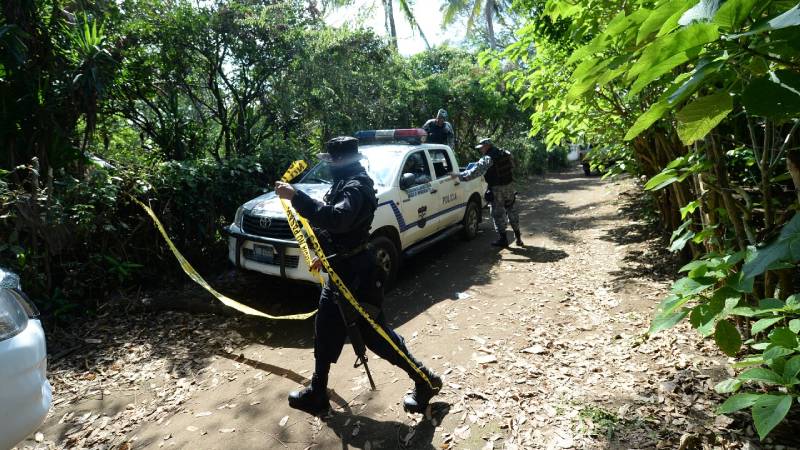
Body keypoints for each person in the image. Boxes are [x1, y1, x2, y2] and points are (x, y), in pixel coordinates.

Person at [274, 136, 442, 416]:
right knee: (325, 330)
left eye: (332, 160)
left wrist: (296, 197)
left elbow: (338, 219)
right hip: (340, 270)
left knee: (376, 336)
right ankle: (318, 392)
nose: (329, 165)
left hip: (358, 277)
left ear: (343, 162)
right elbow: (337, 229)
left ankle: (425, 380)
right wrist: (323, 254)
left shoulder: (358, 186)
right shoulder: (344, 183)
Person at [453, 138, 523, 247]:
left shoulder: (487, 158)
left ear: (487, 146)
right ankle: (518, 238)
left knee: (497, 213)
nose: (481, 150)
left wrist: (459, 176)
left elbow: (475, 172)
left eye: (481, 148)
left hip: (497, 189)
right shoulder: (506, 153)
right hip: (509, 186)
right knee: (512, 210)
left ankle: (503, 239)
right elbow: (513, 166)